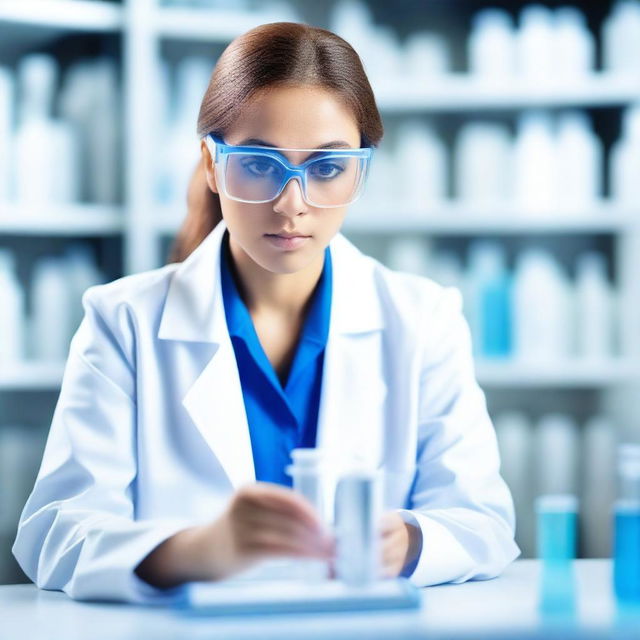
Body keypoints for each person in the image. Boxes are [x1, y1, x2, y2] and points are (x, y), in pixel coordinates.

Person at [12, 22, 520, 603]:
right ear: (211, 162)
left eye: (327, 168)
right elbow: (55, 532)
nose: (292, 204)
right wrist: (200, 550)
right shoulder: (123, 322)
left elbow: (483, 520)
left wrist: (404, 540)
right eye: (259, 164)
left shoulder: (423, 319)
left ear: (362, 170)